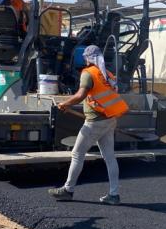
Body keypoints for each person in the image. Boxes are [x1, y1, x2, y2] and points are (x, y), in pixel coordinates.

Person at [48, 45, 129, 205]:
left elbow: (81, 95)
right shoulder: (107, 74)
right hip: (109, 119)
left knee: (77, 154)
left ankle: (68, 190)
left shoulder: (88, 73)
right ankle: (114, 195)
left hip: (95, 122)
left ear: (88, 58)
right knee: (109, 157)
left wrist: (66, 104)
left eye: (85, 57)